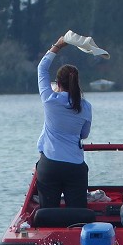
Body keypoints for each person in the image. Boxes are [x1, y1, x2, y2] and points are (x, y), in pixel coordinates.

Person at [36, 35, 92, 209]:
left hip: (50, 165)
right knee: (77, 213)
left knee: (48, 212)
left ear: (58, 83)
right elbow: (84, 134)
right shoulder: (85, 106)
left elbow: (42, 69)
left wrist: (58, 46)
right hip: (75, 167)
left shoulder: (49, 99)